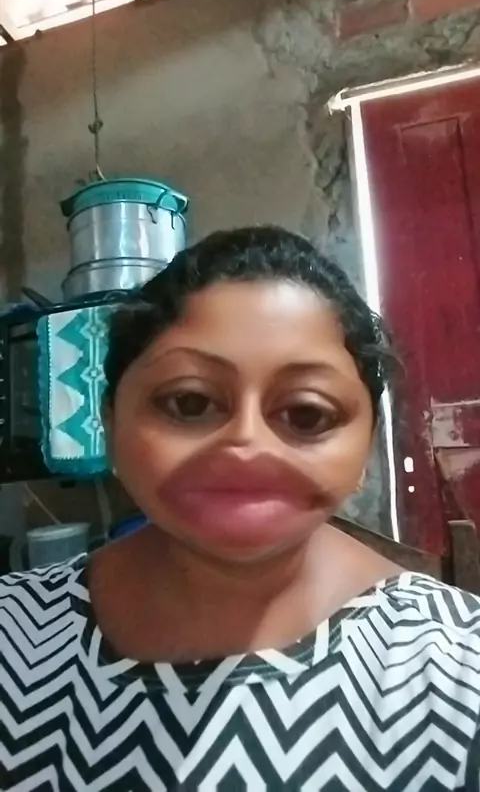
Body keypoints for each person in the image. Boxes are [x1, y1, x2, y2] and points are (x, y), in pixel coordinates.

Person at [0, 226, 479, 792]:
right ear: (110, 423)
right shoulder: (13, 635)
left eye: (306, 414)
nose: (245, 443)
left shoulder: (459, 668)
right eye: (189, 402)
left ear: (367, 446)